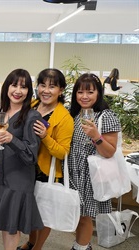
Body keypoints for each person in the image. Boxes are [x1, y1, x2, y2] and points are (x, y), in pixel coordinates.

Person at [0, 68, 43, 250]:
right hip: (1, 176)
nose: (17, 90)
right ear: (6, 87)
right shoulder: (3, 112)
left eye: (23, 87)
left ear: (29, 91)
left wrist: (12, 139)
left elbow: (31, 155)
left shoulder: (32, 116)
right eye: (14, 85)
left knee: (12, 226)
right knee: (6, 223)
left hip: (19, 179)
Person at [18, 69, 74, 250]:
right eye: (43, 85)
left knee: (44, 215)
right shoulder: (32, 105)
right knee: (31, 212)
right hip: (26, 168)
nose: (46, 90)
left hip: (46, 172)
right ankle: (31, 241)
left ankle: (37, 247)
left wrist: (45, 137)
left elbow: (63, 152)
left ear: (61, 90)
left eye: (52, 86)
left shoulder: (64, 118)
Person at [68, 73, 121, 250]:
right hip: (72, 171)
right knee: (76, 213)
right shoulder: (74, 114)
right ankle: (82, 244)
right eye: (80, 91)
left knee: (85, 216)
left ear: (98, 93)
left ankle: (81, 247)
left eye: (90, 92)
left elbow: (109, 152)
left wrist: (96, 136)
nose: (84, 96)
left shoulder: (106, 116)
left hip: (91, 174)